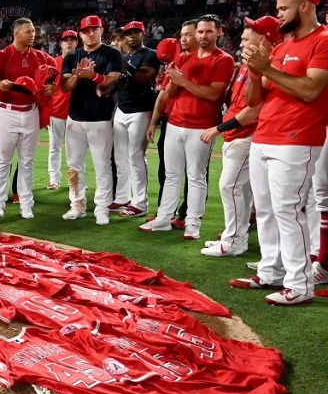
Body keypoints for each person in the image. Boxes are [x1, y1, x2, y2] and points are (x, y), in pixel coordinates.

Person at [231, 0, 328, 306]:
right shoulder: (282, 46)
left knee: (289, 210)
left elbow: (310, 90)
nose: (279, 15)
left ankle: (300, 285)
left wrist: (267, 70)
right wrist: (255, 72)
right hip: (264, 136)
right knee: (268, 210)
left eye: (284, 8)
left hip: (296, 138)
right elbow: (255, 100)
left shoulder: (323, 40)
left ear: (305, 5)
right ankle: (270, 270)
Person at [140, 14, 233, 238]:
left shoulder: (223, 59)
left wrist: (183, 82)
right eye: (200, 31)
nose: (203, 35)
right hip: (174, 123)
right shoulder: (182, 58)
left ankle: (193, 223)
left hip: (201, 126)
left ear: (219, 32)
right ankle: (164, 217)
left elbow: (214, 94)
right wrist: (171, 83)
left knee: (196, 176)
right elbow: (168, 92)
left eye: (209, 31)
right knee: (171, 175)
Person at [198, 16, 278, 257]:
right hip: (237, 134)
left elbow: (255, 108)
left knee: (231, 187)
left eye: (245, 39)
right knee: (238, 189)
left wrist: (218, 128)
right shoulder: (246, 63)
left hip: (248, 134)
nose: (241, 44)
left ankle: (235, 241)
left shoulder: (268, 64)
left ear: (262, 39)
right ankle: (235, 235)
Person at [0, 17, 52, 219]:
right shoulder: (1, 56)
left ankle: (26, 204)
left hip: (30, 111)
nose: (33, 35)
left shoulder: (41, 57)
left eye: (33, 32)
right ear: (16, 33)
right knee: (3, 161)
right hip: (6, 112)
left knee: (27, 161)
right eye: (28, 32)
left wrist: (50, 88)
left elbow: (53, 80)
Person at [60, 15, 125, 225]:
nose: (89, 34)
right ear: (80, 34)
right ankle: (77, 205)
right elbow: (64, 87)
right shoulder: (72, 56)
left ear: (101, 31)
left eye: (93, 30)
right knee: (74, 165)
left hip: (101, 119)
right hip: (75, 118)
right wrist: (79, 75)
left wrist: (93, 75)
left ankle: (102, 208)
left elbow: (113, 81)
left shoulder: (112, 52)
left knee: (102, 166)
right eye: (85, 31)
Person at [112, 21, 160, 218]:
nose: (132, 36)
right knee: (120, 157)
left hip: (141, 110)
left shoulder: (150, 54)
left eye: (136, 32)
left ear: (143, 33)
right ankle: (123, 197)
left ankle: (140, 203)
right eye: (128, 33)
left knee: (136, 155)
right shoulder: (124, 55)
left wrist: (122, 63)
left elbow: (143, 78)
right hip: (122, 109)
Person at [47, 31, 76, 190]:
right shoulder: (54, 63)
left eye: (72, 40)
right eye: (66, 40)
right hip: (56, 112)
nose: (69, 43)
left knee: (75, 150)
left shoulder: (81, 63)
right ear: (61, 44)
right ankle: (54, 178)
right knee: (55, 147)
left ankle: (75, 181)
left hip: (76, 114)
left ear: (76, 43)